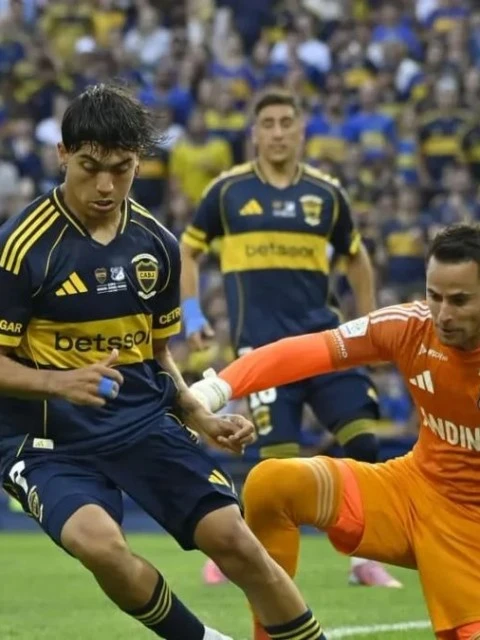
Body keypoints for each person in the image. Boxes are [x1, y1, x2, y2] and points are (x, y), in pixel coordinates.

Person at [0, 83, 327, 640]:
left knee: (236, 541)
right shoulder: (20, 248)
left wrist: (199, 415)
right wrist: (60, 383)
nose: (106, 186)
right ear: (62, 155)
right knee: (99, 546)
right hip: (48, 442)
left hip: (141, 423)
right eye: (89, 168)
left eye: (121, 169)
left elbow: (154, 354)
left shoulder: (157, 245)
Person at [190, 222, 480, 640]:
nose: (443, 314)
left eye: (460, 300)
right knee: (273, 482)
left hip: (470, 531)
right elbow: (305, 351)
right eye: (435, 296)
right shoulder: (411, 326)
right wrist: (214, 390)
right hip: (412, 491)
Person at [180, 88, 401, 588]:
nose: (278, 133)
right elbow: (188, 251)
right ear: (254, 134)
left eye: (286, 123)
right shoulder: (227, 192)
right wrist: (192, 316)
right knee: (276, 466)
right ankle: (242, 557)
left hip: (325, 345)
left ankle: (364, 559)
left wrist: (370, 326)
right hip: (262, 353)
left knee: (364, 442)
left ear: (301, 131)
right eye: (269, 124)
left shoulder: (326, 193)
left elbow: (357, 257)